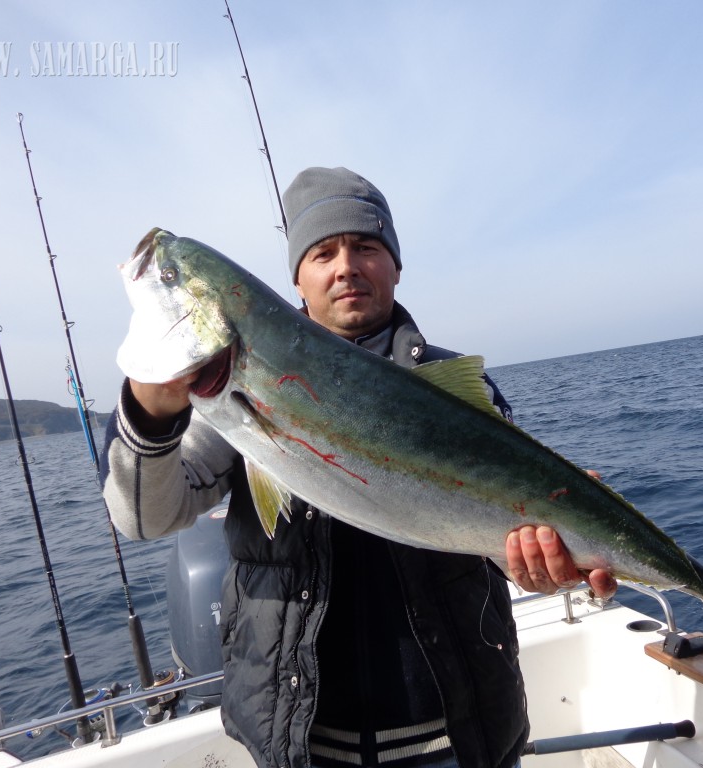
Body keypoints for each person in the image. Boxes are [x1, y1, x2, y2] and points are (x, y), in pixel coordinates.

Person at [102, 167, 616, 768]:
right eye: (322, 253)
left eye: (366, 247)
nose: (346, 266)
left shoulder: (456, 390)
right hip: (303, 744)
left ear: (395, 265)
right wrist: (148, 415)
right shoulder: (226, 397)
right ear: (297, 278)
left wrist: (542, 563)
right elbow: (145, 519)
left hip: (458, 736)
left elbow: (501, 540)